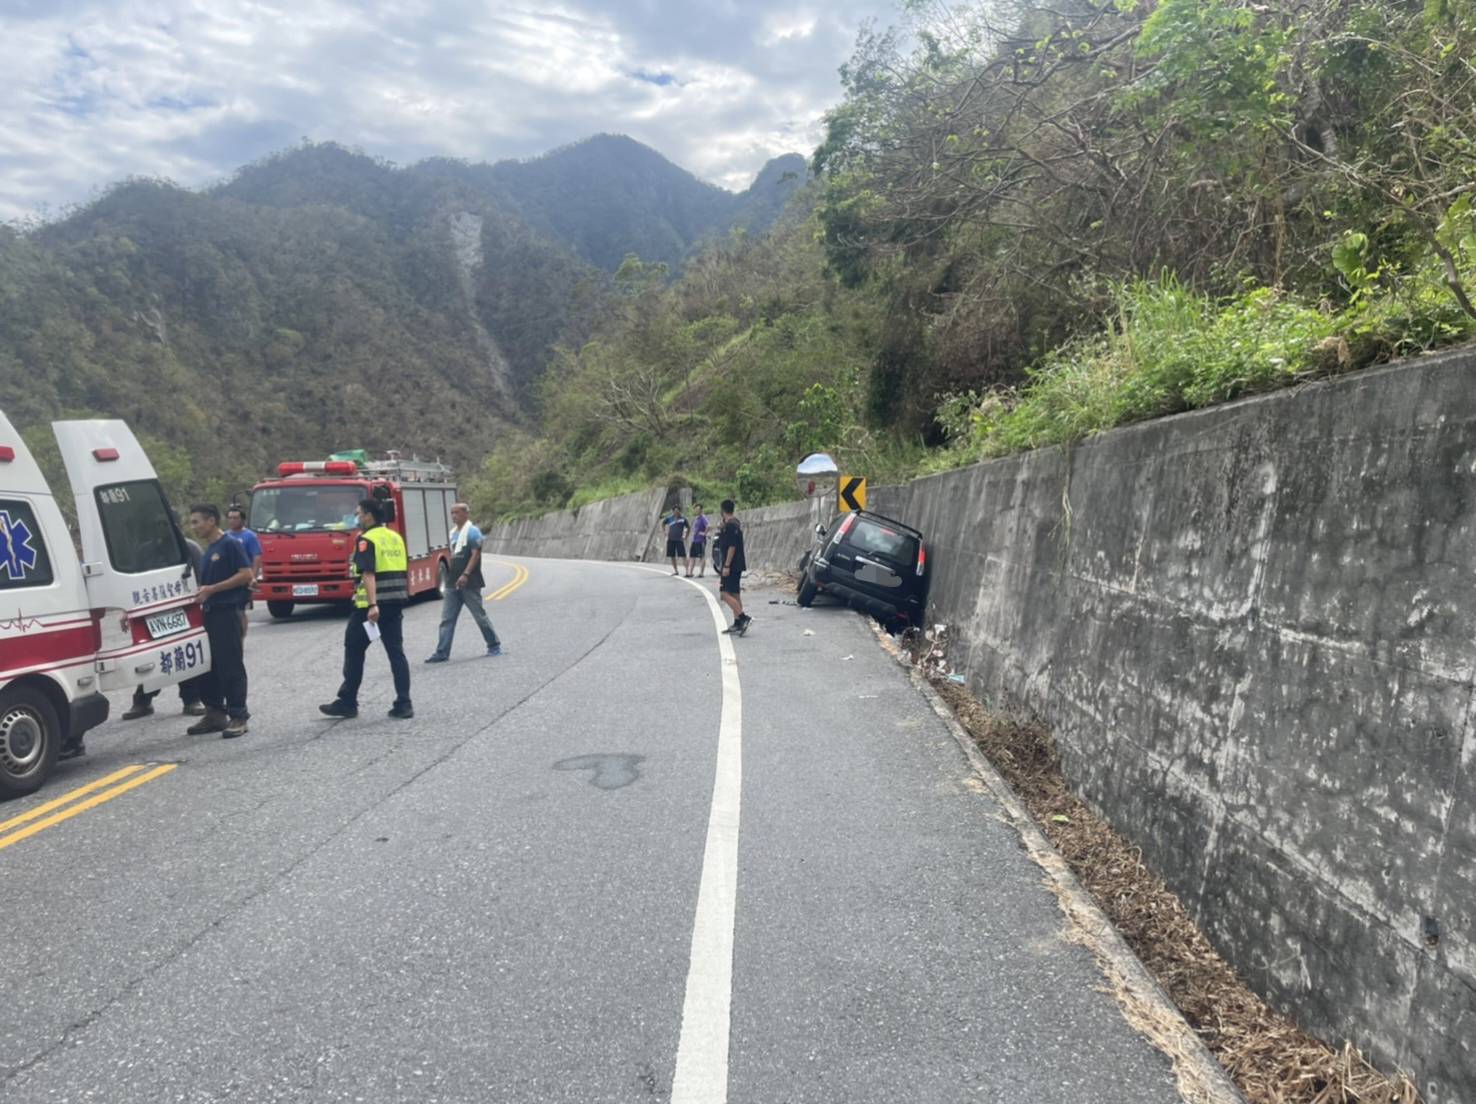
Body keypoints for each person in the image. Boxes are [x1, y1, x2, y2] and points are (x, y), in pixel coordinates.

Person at [320, 497, 413, 720]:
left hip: (370, 608)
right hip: (395, 602)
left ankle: (348, 701)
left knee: (353, 650)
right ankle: (404, 703)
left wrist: (372, 605)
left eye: (359, 513)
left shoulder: (366, 540)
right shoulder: (395, 537)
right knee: (396, 654)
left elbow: (369, 574)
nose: (357, 517)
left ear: (369, 515)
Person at [122, 534, 208, 722]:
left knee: (185, 654)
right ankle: (142, 700)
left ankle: (192, 699)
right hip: (154, 611)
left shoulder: (190, 548)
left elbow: (202, 579)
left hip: (182, 608)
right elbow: (134, 583)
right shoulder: (145, 550)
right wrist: (127, 611)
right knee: (152, 657)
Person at [188, 504, 254, 738]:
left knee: (230, 665)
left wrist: (213, 589)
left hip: (227, 612)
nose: (193, 527)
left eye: (197, 522)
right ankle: (215, 713)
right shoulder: (209, 550)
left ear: (212, 521)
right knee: (208, 666)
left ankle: (238, 715)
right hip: (209, 614)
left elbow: (246, 574)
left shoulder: (229, 545)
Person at [425, 502, 503, 663]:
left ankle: (494, 644)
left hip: (470, 582)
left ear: (466, 514)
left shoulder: (473, 532)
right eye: (452, 513)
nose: (454, 516)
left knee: (479, 616)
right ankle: (442, 652)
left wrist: (466, 574)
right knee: (447, 619)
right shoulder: (453, 533)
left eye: (457, 513)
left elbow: (476, 554)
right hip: (452, 583)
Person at [225, 506, 262, 637]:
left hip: (244, 579)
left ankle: (241, 637)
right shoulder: (225, 535)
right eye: (230, 518)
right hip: (229, 579)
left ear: (242, 520)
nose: (232, 520)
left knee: (240, 610)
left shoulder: (250, 536)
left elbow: (256, 556)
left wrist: (253, 576)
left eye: (236, 518)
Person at [717, 499, 750, 635]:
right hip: (738, 564)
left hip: (731, 564)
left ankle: (743, 617)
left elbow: (731, 546)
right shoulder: (734, 523)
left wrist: (726, 565)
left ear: (723, 510)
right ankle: (737, 623)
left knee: (724, 594)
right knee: (735, 593)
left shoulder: (730, 526)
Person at [686, 504, 710, 578]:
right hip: (695, 540)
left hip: (700, 540)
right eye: (696, 509)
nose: (697, 510)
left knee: (701, 557)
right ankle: (690, 573)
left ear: (701, 510)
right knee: (692, 556)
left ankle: (701, 573)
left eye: (698, 509)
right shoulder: (697, 518)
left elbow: (708, 526)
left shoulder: (703, 518)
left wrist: (704, 533)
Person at [665, 505, 689, 576]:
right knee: (672, 556)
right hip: (671, 539)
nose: (676, 513)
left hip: (679, 540)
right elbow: (662, 524)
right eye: (675, 511)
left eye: (678, 511)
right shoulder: (669, 518)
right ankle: (676, 571)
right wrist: (665, 533)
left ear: (680, 511)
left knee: (683, 555)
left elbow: (688, 527)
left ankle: (687, 571)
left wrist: (686, 536)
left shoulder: (683, 519)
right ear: (673, 512)